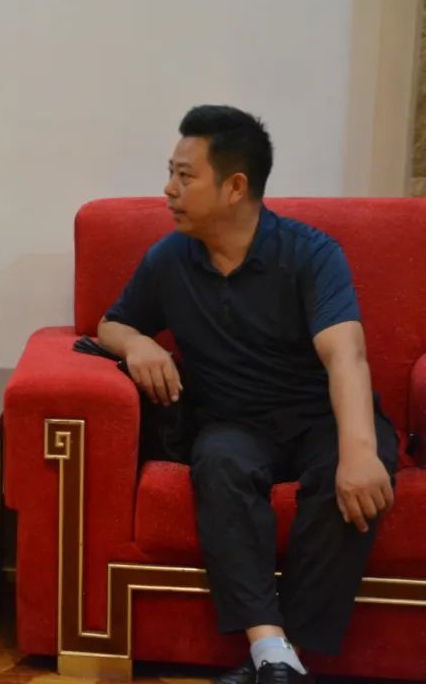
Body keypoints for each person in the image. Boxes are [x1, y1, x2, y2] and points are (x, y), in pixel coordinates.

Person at [96, 105, 397, 684]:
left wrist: (359, 451)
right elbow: (111, 323)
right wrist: (136, 343)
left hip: (321, 418)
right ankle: (270, 650)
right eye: (170, 173)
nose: (169, 189)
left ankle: (284, 660)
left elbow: (346, 355)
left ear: (235, 186)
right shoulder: (170, 258)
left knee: (357, 470)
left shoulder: (310, 253)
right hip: (235, 424)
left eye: (185, 176)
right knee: (218, 462)